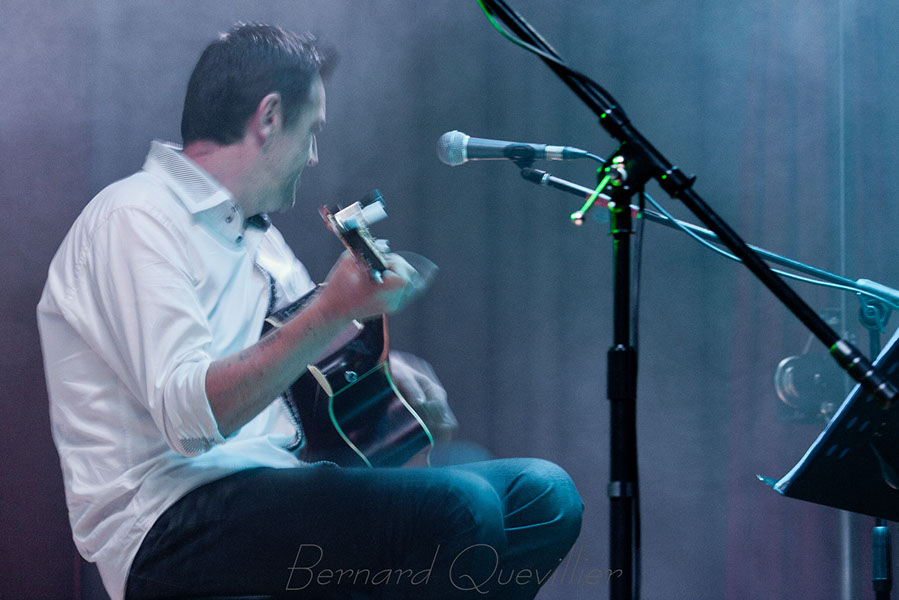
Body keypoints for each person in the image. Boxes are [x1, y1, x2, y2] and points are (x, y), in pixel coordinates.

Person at [37, 23, 583, 599]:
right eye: (313, 131)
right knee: (462, 508)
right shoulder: (134, 216)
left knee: (542, 495)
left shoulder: (259, 238)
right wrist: (330, 307)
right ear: (270, 117)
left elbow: (311, 358)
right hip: (169, 520)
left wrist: (385, 376)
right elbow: (189, 422)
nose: (315, 156)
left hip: (278, 485)